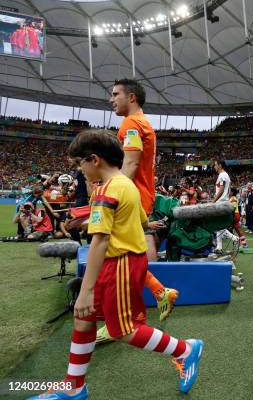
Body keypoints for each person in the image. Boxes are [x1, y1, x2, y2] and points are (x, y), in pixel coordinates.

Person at [27, 130, 203, 399]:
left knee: (124, 330)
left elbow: (99, 242)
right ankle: (74, 388)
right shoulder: (125, 185)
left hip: (119, 264)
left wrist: (85, 291)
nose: (78, 171)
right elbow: (130, 223)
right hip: (123, 261)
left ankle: (185, 350)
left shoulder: (106, 190)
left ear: (94, 159)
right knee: (83, 320)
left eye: (78, 164)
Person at [97, 79, 178, 344]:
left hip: (131, 195)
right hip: (140, 195)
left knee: (119, 257)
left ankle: (124, 319)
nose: (112, 99)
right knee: (128, 254)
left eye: (115, 94)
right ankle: (158, 292)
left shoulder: (131, 123)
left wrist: (112, 192)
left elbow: (130, 163)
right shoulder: (142, 123)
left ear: (131, 97)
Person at [212, 159, 240, 254]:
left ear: (220, 165)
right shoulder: (225, 175)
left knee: (218, 225)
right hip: (223, 201)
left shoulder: (222, 175)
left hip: (221, 202)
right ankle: (219, 247)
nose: (214, 166)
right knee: (219, 226)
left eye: (215, 164)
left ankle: (234, 238)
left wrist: (214, 200)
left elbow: (222, 188)